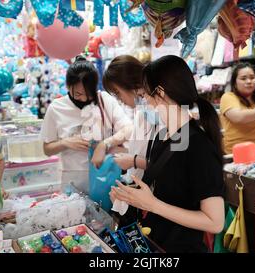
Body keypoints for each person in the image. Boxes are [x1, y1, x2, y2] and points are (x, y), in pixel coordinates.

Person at [110, 55, 225, 253]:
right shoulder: (161, 136)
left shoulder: (199, 147)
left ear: (160, 93)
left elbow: (215, 222)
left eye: (145, 94)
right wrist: (130, 198)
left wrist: (152, 204)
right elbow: (163, 190)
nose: (143, 100)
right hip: (153, 243)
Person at [41, 56, 132, 193]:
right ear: (67, 86)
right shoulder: (56, 108)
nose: (84, 98)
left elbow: (129, 129)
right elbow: (47, 149)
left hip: (105, 178)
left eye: (89, 94)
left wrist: (104, 144)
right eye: (78, 94)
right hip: (73, 183)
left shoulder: (105, 101)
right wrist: (65, 143)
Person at [102, 55, 157, 183]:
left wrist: (133, 161)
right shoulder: (142, 110)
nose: (118, 99)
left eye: (117, 92)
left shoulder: (158, 110)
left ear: (130, 83)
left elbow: (170, 164)